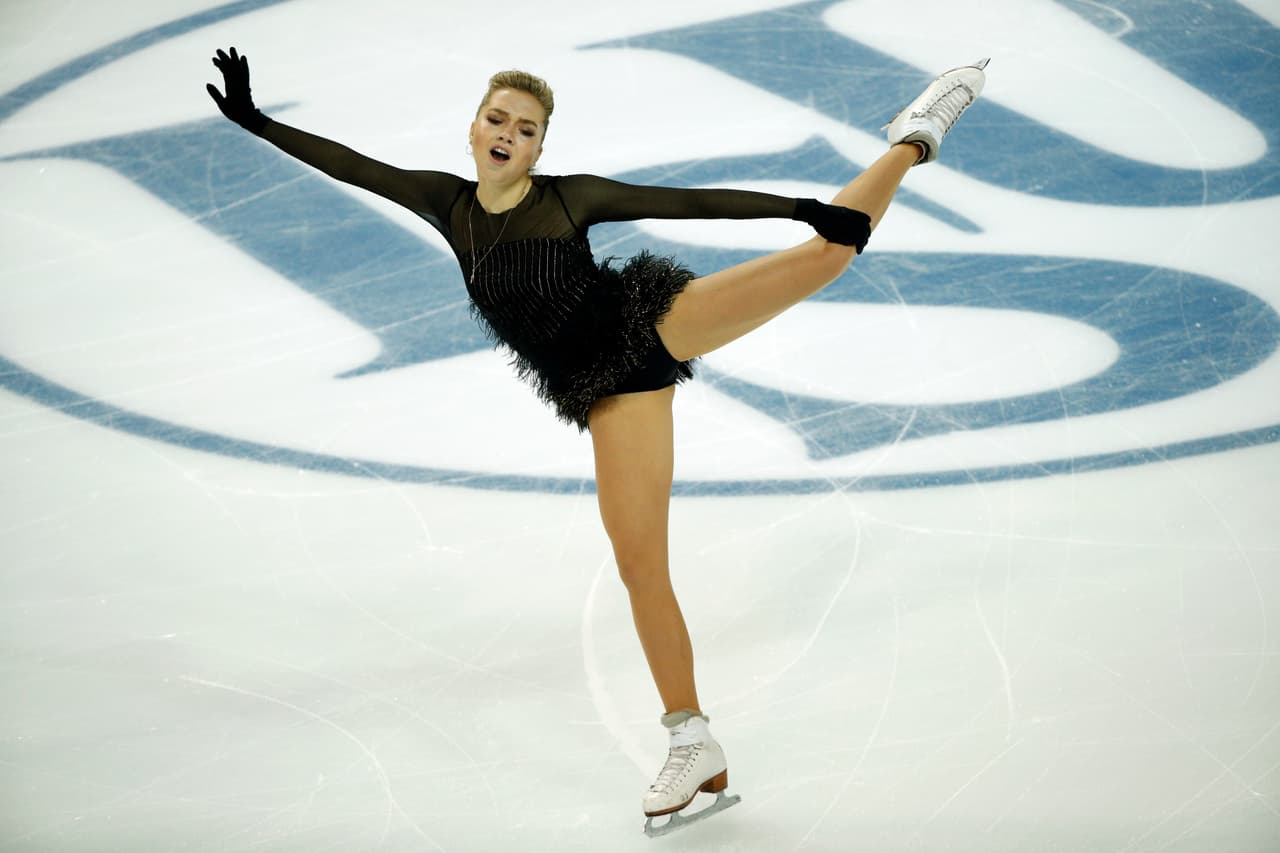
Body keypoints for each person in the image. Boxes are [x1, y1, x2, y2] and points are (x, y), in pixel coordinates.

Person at [206, 47, 987, 835]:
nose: (508, 134)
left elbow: (686, 202)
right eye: (497, 120)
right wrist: (257, 121)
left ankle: (913, 137)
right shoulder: (447, 204)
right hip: (612, 394)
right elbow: (352, 166)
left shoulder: (568, 197)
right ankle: (692, 738)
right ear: (473, 129)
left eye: (526, 129)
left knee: (828, 253)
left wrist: (801, 208)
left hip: (653, 325)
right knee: (640, 564)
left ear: (540, 148)